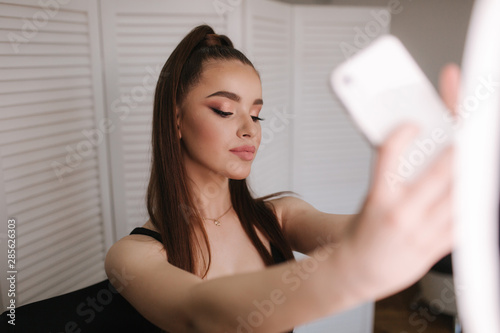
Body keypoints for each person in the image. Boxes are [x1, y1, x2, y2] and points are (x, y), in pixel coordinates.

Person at [103, 24, 460, 333]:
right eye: (225, 110)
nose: (249, 130)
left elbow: (360, 236)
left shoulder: (280, 216)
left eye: (256, 116)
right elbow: (200, 313)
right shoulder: (132, 257)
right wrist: (352, 271)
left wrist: (443, 194)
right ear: (176, 120)